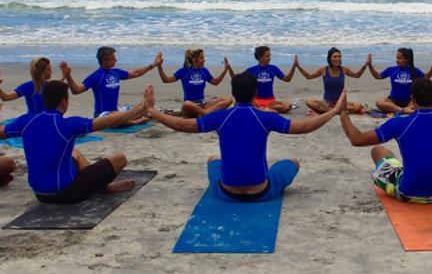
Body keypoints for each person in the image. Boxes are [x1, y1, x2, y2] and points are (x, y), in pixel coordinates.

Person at [146, 73, 342, 201]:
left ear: (233, 93)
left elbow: (181, 125)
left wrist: (152, 111)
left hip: (227, 193)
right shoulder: (266, 117)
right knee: (293, 162)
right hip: (261, 192)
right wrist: (332, 113)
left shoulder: (221, 117)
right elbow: (305, 127)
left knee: (213, 159)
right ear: (255, 93)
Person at [0, 82, 153, 203]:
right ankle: (104, 187)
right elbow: (107, 121)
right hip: (65, 194)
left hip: (39, 194)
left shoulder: (26, 121)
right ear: (63, 103)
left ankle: (102, 185)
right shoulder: (67, 125)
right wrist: (140, 109)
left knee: (75, 152)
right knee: (119, 159)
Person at [61, 46, 157, 121]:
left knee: (141, 109)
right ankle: (137, 120)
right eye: (113, 58)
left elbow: (135, 73)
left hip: (116, 111)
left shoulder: (116, 72)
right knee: (124, 118)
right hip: (102, 115)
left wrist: (152, 65)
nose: (116, 60)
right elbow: (76, 90)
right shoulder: (96, 76)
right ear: (105, 60)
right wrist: (68, 76)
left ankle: (136, 117)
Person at [155, 49, 233, 117]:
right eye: (201, 58)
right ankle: (204, 113)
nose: (204, 60)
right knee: (187, 104)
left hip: (203, 104)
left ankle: (204, 113)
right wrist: (159, 67)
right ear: (194, 60)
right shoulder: (184, 71)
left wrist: (225, 70)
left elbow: (215, 82)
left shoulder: (204, 71)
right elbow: (166, 80)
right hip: (189, 107)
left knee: (228, 99)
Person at [296, 47, 368, 114]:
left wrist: (365, 65)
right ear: (329, 58)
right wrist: (298, 67)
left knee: (358, 105)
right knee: (309, 101)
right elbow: (309, 76)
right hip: (326, 103)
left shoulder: (344, 70)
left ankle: (332, 111)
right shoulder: (323, 70)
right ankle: (335, 111)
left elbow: (357, 75)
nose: (337, 58)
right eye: (335, 56)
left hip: (341, 103)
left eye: (339, 56)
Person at [230, 46, 298, 114]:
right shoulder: (253, 70)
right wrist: (229, 68)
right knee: (241, 104)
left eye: (269, 56)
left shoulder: (273, 68)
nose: (269, 58)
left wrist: (294, 66)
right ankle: (263, 109)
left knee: (287, 106)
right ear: (260, 57)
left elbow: (287, 79)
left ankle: (263, 109)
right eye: (267, 56)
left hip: (270, 101)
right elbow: (236, 79)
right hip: (256, 101)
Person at [366, 48, 432, 114]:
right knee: (379, 103)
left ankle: (404, 109)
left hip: (409, 102)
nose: (397, 60)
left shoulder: (414, 70)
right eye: (396, 58)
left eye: (399, 58)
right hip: (393, 101)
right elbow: (377, 76)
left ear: (407, 59)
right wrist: (370, 66)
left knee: (418, 104)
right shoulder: (392, 70)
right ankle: (402, 110)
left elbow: (426, 77)